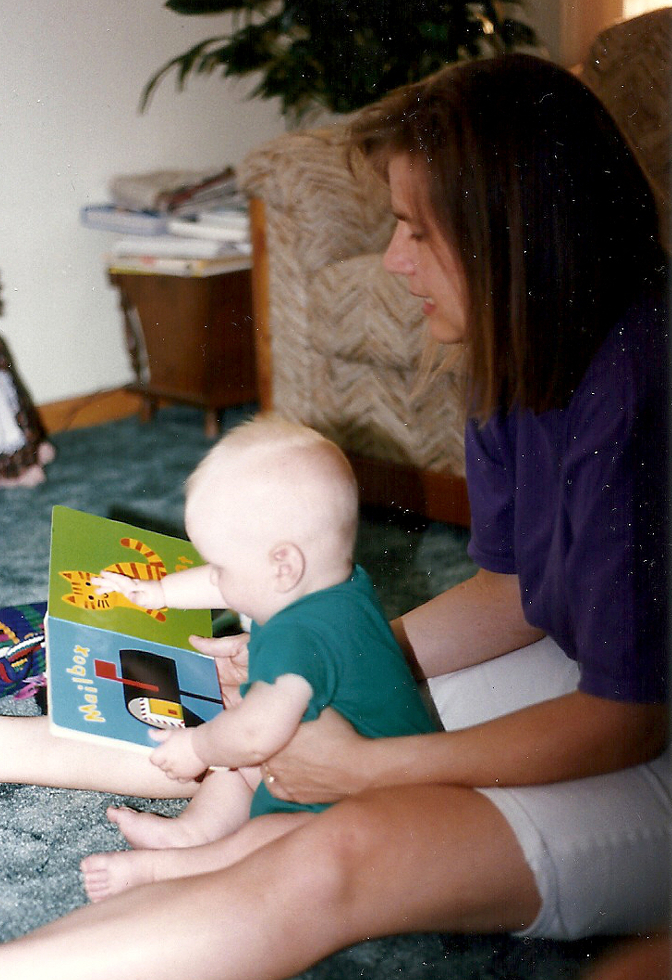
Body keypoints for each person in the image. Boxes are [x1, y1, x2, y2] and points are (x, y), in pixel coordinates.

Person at [0, 53, 668, 979]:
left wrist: (369, 771)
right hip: (594, 681)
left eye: (414, 230)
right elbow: (517, 590)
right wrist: (324, 649)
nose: (393, 260)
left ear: (513, 234)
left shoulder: (641, 397)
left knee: (342, 848)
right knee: (249, 710)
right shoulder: (517, 358)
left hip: (650, 739)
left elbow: (629, 721)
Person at [80, 414, 434, 901]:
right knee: (240, 765)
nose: (216, 579)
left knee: (270, 825)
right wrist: (154, 591)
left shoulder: (298, 636)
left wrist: (198, 749)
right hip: (337, 748)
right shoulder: (336, 583)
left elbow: (254, 734)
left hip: (378, 804)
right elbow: (216, 583)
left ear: (283, 566)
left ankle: (172, 870)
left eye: (223, 566)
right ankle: (190, 832)